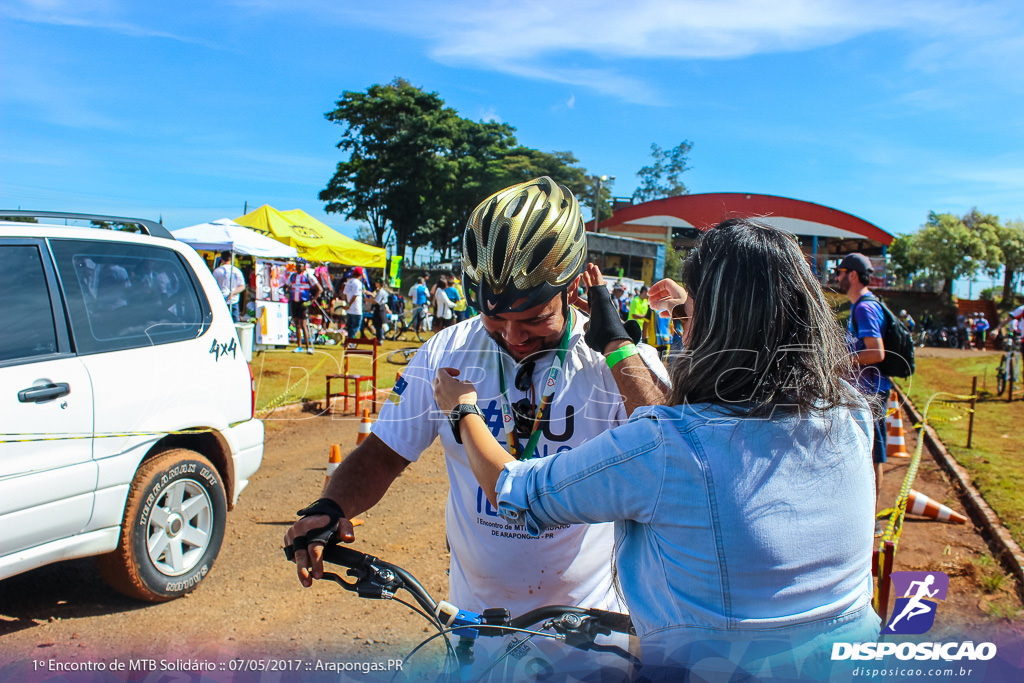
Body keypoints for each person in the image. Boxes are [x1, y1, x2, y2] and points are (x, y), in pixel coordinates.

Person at [433, 219, 879, 679]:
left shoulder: (668, 447)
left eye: (690, 314)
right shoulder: (852, 418)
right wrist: (627, 339)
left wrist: (463, 409)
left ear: (711, 326)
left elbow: (512, 490)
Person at [284, 177, 668, 673]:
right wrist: (332, 505)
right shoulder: (446, 353)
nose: (513, 336)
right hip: (476, 629)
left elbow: (673, 443)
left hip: (590, 634)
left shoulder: (608, 361)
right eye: (494, 317)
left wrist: (618, 348)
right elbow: (383, 453)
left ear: (572, 287)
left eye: (533, 319)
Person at [834, 252, 889, 501]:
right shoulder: (862, 305)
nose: (836, 277)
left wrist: (840, 361)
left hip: (872, 392)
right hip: (866, 391)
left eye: (839, 273)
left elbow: (876, 351)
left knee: (872, 453)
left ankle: (872, 516)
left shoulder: (865, 307)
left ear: (852, 275)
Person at [288, 259, 322, 354]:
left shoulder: (308, 276)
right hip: (294, 302)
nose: (298, 267)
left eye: (300, 266)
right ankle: (299, 346)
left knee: (303, 325)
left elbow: (320, 289)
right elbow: (287, 286)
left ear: (304, 267)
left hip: (303, 303)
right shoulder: (292, 276)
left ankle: (308, 346)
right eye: (297, 265)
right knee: (297, 324)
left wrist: (312, 300)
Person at [212, 251, 246, 322]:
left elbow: (212, 285)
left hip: (221, 298)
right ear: (231, 259)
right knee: (235, 322)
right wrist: (233, 292)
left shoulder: (217, 271)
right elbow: (242, 286)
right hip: (233, 300)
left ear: (221, 259)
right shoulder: (237, 271)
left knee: (221, 321)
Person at [343, 266, 365, 342]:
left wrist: (347, 304)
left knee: (349, 327)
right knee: (355, 327)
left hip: (349, 310)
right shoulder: (358, 283)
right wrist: (349, 304)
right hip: (356, 309)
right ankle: (351, 342)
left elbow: (345, 294)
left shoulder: (348, 282)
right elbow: (355, 295)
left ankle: (348, 341)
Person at [370, 279, 390, 344]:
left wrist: (367, 299)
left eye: (377, 283)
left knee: (379, 325)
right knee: (377, 325)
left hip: (380, 309)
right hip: (379, 309)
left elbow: (376, 301)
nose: (376, 284)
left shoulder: (381, 292)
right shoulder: (379, 291)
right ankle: (379, 338)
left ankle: (380, 339)